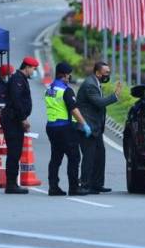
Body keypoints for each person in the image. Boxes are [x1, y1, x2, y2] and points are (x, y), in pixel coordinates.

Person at [44, 62, 92, 196]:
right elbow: (74, 109)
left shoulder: (49, 88)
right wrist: (84, 125)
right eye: (69, 74)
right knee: (74, 157)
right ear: (64, 75)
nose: (70, 76)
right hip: (65, 128)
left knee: (56, 157)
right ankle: (74, 188)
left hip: (51, 127)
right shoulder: (66, 90)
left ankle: (53, 187)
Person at [77, 61, 122, 194]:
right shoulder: (90, 85)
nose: (108, 75)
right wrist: (115, 96)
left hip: (96, 128)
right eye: (106, 72)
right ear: (98, 72)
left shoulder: (96, 83)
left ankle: (96, 184)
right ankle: (85, 184)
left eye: (109, 72)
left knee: (99, 156)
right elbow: (99, 103)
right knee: (89, 157)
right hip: (88, 127)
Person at [1, 56, 38, 194]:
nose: (34, 72)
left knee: (15, 152)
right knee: (14, 152)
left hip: (15, 120)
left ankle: (12, 183)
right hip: (13, 120)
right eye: (33, 69)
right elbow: (16, 100)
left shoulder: (21, 79)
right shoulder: (17, 79)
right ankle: (11, 184)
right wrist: (23, 119)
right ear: (27, 67)